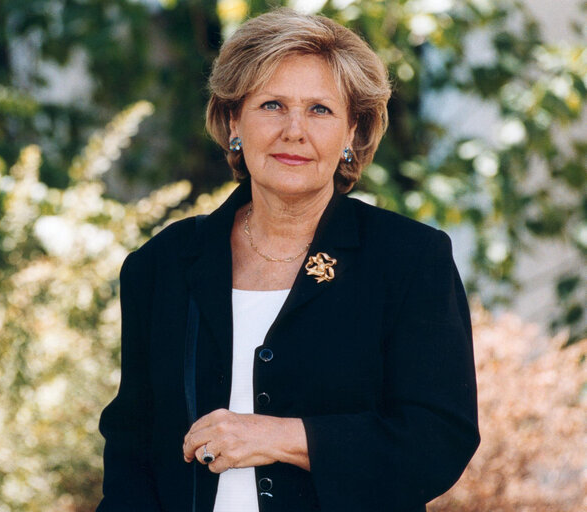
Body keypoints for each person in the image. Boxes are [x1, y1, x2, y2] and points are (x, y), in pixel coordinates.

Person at [98, 8, 479, 512]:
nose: (294, 131)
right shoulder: (163, 265)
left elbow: (437, 440)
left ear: (352, 132)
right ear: (234, 120)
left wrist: (278, 438)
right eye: (272, 105)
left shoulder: (409, 260)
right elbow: (131, 453)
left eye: (320, 109)